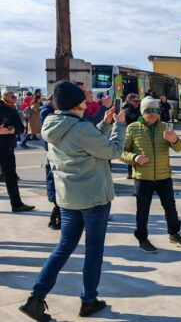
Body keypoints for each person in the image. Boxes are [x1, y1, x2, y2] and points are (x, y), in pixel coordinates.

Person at [19, 80, 126, 321]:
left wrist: (104, 124)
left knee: (63, 247)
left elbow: (86, 142)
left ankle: (35, 297)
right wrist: (119, 126)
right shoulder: (81, 128)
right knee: (93, 250)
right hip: (94, 198)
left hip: (68, 198)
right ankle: (88, 300)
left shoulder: (52, 123)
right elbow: (111, 151)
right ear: (77, 102)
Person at [120, 96, 181, 253]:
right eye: (149, 111)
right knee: (142, 210)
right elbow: (122, 152)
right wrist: (134, 158)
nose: (153, 114)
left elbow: (179, 148)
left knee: (170, 207)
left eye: (156, 111)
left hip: (164, 176)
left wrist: (175, 139)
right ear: (143, 112)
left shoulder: (165, 127)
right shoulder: (132, 128)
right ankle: (142, 239)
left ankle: (174, 233)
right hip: (143, 178)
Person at [1, 91, 34, 212]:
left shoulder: (10, 110)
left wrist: (9, 130)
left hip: (5, 148)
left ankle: (16, 204)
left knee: (10, 176)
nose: (14, 98)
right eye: (12, 96)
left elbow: (20, 128)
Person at [40, 94, 61, 230]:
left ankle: (56, 216)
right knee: (53, 180)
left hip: (56, 150)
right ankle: (55, 217)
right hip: (53, 151)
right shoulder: (47, 112)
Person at [122, 94, 141, 179]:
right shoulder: (128, 109)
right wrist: (141, 112)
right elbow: (137, 118)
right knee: (131, 152)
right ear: (129, 101)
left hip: (133, 133)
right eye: (135, 101)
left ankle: (131, 173)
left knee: (134, 152)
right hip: (129, 134)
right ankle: (130, 173)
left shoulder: (133, 108)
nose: (138, 103)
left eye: (138, 101)